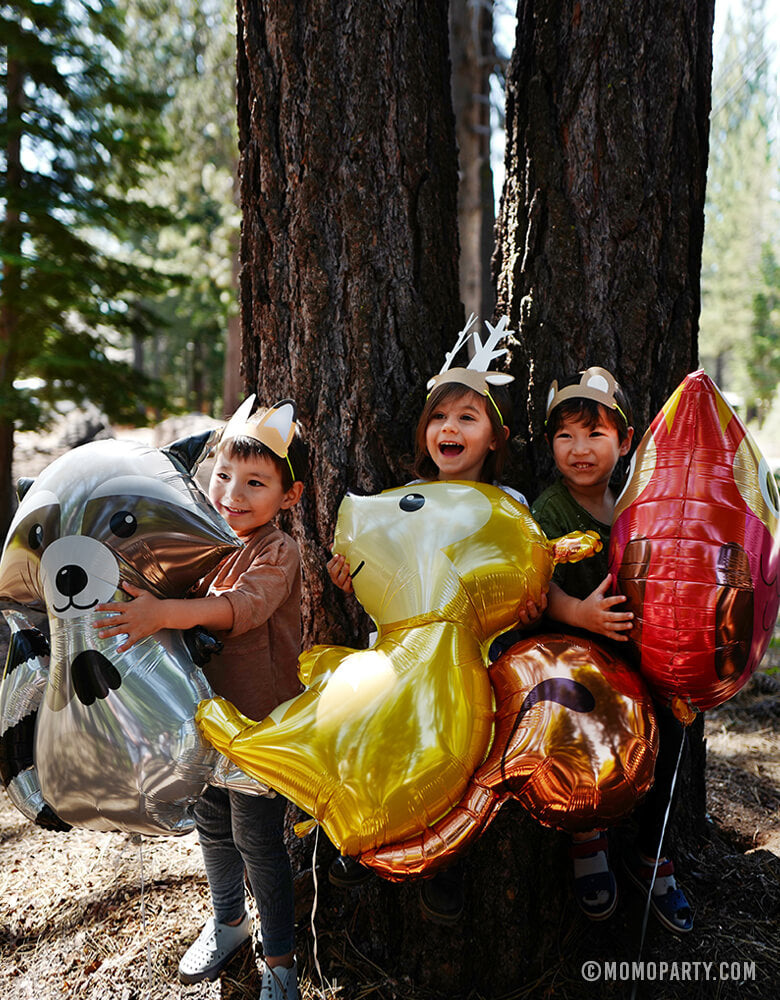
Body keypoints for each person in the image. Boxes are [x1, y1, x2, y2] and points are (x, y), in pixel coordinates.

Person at [327, 315, 542, 924]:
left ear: (494, 438)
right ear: (426, 432)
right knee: (376, 727)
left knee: (456, 751)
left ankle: (442, 859)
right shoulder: (404, 500)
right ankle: (354, 831)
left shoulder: (512, 508)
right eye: (440, 418)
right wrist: (351, 578)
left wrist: (528, 601)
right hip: (402, 646)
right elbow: (383, 570)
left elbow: (520, 570)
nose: (450, 428)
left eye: (468, 418)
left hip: (476, 652)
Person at [95, 398, 308, 999]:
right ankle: (228, 922)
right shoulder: (200, 536)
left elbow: (243, 609)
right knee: (211, 828)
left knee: (259, 840)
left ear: (288, 497)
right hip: (200, 719)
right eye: (222, 475)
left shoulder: (275, 550)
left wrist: (165, 611)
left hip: (257, 726)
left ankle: (281, 961)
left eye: (255, 483)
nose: (232, 494)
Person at [530, 367, 693, 935]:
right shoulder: (551, 509)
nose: (579, 450)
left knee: (674, 725)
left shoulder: (633, 502)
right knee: (585, 734)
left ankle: (654, 851)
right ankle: (587, 836)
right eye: (565, 436)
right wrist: (578, 612)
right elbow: (534, 581)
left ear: (625, 442)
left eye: (595, 435)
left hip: (640, 653)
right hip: (580, 652)